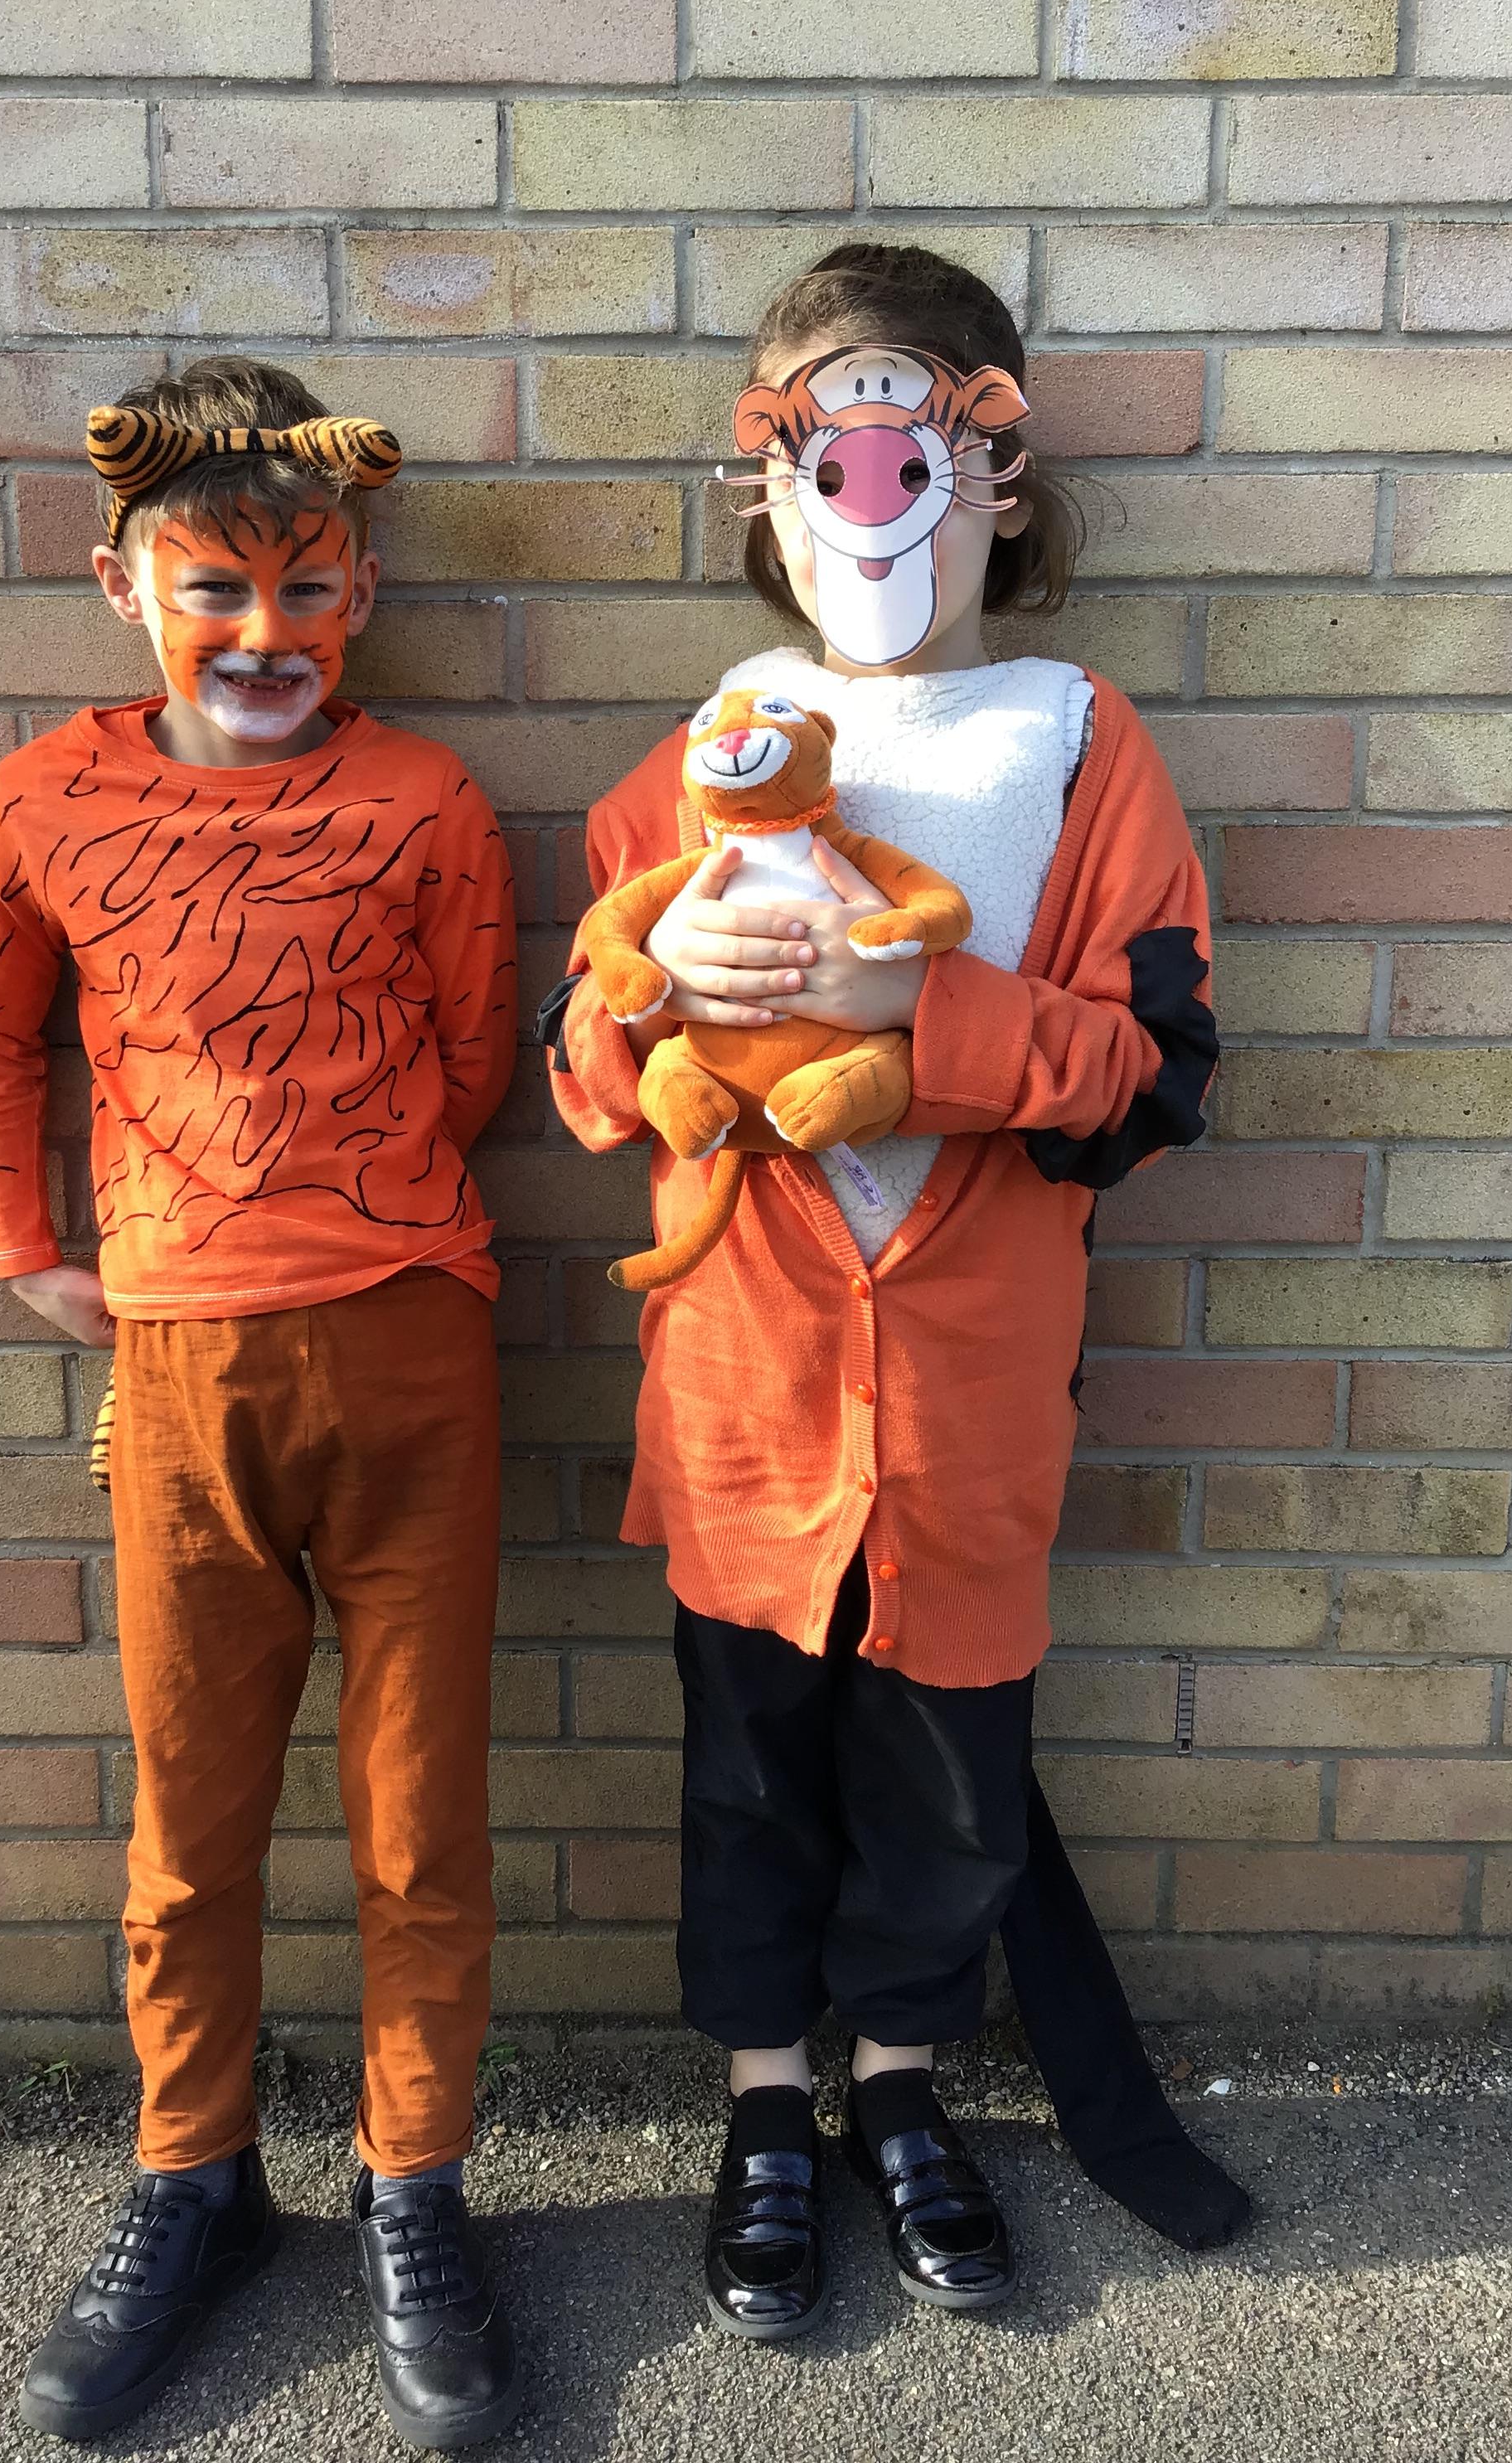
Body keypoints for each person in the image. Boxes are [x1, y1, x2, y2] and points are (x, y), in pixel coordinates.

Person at [545, 245, 1249, 2339]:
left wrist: (923, 1021)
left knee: (951, 1788)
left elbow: (1154, 1080)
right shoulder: (701, 758)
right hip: (747, 1394)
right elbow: (580, 1073)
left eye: (910, 444)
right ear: (765, 487)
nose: (864, 493)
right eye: (816, 453)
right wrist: (652, 997)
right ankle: (768, 2103)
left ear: (996, 477)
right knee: (749, 1773)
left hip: (969, 1394)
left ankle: (903, 2082)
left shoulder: (1082, 750)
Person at [0, 356, 522, 2447]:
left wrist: (331, 1204)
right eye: (215, 590)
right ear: (127, 587)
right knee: (189, 1825)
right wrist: (29, 1245)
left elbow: (472, 1057)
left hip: (409, 1347)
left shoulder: (429, 803)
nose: (265, 634)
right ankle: (192, 2173)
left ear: (362, 591)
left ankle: (413, 2181)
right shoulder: (48, 799)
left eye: (308, 589)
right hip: (178, 1371)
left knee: (417, 1819)